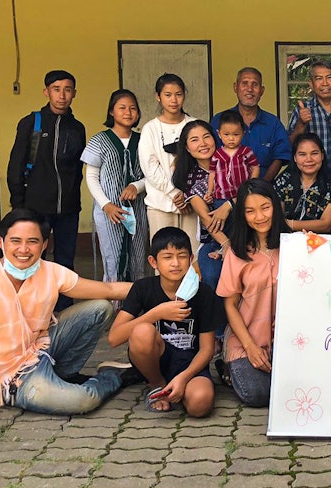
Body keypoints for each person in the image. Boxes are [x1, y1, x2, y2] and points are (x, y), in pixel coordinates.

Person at [0, 210, 134, 436]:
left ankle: (63, 374)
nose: (23, 250)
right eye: (16, 241)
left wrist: (166, 290)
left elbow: (110, 290)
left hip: (38, 350)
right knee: (83, 400)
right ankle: (113, 376)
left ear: (44, 245)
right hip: (9, 378)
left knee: (100, 307)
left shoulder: (50, 271)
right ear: (1, 242)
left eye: (32, 242)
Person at [108, 227, 225, 415]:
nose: (176, 263)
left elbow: (207, 349)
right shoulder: (142, 288)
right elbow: (114, 338)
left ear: (191, 258)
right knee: (141, 330)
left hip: (191, 363)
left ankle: (177, 386)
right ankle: (157, 385)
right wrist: (156, 313)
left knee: (200, 404)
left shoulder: (203, 293)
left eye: (182, 256)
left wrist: (184, 378)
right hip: (157, 359)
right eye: (167, 257)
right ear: (153, 261)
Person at [6, 70, 85, 312]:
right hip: (35, 206)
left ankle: (64, 308)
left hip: (69, 207)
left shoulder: (77, 127)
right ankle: (31, 306)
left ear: (74, 94)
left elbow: (78, 167)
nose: (62, 95)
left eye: (67, 90)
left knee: (65, 260)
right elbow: (16, 164)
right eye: (56, 89)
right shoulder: (32, 123)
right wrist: (19, 205)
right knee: (32, 259)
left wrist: (73, 194)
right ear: (46, 92)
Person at [216, 179, 290, 407]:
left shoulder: (293, 245)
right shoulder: (237, 253)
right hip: (247, 338)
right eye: (250, 211)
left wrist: (310, 247)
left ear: (276, 207)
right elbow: (230, 305)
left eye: (265, 208)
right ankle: (227, 365)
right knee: (258, 394)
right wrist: (249, 346)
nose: (259, 217)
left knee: (290, 390)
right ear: (242, 215)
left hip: (288, 339)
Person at [81, 89, 149, 282]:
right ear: (111, 111)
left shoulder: (144, 140)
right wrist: (106, 205)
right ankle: (114, 307)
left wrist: (137, 186)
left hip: (138, 209)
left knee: (138, 258)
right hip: (108, 210)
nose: (128, 112)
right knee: (113, 260)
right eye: (122, 108)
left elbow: (152, 174)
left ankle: (137, 306)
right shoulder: (99, 140)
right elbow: (92, 177)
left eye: (133, 108)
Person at [138, 74, 199, 252]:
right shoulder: (151, 128)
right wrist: (174, 192)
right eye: (168, 94)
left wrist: (187, 195)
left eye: (178, 94)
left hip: (191, 204)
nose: (174, 100)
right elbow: (150, 167)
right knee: (164, 256)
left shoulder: (194, 124)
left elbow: (201, 163)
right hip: (160, 203)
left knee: (192, 256)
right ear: (158, 96)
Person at [171, 121, 231, 294]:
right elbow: (206, 218)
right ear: (187, 148)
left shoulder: (232, 161)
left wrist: (229, 204)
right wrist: (227, 245)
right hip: (216, 240)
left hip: (247, 233)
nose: (203, 144)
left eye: (206, 137)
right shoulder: (192, 178)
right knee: (212, 275)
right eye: (195, 140)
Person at [211, 67, 291, 182]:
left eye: (255, 84)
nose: (249, 89)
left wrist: (261, 186)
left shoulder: (273, 123)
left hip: (263, 189)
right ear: (235, 87)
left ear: (262, 90)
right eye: (244, 83)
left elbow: (280, 157)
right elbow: (210, 156)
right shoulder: (219, 120)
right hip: (226, 190)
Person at [207, 109, 260, 258]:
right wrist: (209, 191)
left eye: (236, 135)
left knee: (240, 222)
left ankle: (240, 247)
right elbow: (212, 173)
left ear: (243, 133)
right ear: (219, 134)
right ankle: (220, 248)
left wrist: (252, 183)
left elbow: (255, 167)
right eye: (226, 135)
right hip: (221, 196)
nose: (231, 139)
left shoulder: (246, 152)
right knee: (222, 223)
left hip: (241, 195)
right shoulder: (217, 154)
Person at [274, 132, 331, 233]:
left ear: (322, 155)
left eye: (314, 153)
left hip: (320, 243)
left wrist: (290, 224)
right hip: (286, 242)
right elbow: (276, 218)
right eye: (302, 154)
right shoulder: (283, 181)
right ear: (294, 157)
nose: (309, 159)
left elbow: (326, 225)